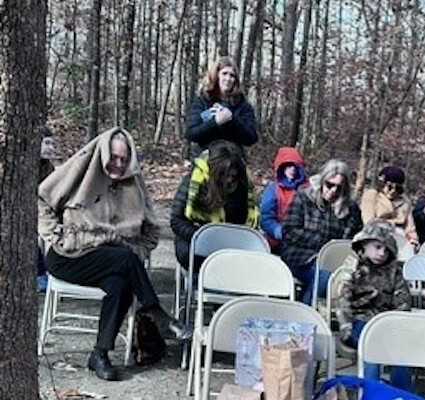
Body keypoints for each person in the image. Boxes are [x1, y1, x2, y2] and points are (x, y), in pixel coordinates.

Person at [38, 127, 192, 381]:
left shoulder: (134, 183)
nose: (118, 165)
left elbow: (152, 228)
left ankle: (99, 354)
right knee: (126, 261)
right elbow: (43, 199)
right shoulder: (80, 172)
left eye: (123, 159)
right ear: (102, 154)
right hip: (69, 255)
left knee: (121, 282)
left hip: (111, 260)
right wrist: (54, 234)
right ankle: (159, 316)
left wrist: (140, 249)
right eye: (114, 158)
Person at [337, 220, 413, 390]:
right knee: (372, 346)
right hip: (358, 321)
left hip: (386, 323)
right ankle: (371, 394)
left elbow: (403, 300)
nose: (382, 253)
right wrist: (346, 326)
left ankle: (402, 395)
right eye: (377, 247)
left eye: (386, 250)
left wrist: (399, 324)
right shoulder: (353, 266)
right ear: (364, 245)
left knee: (400, 352)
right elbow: (343, 298)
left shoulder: (394, 271)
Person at [281, 159, 363, 305]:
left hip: (338, 261)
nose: (333, 191)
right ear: (322, 181)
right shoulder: (303, 198)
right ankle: (306, 313)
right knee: (325, 277)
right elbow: (288, 231)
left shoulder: (351, 209)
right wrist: (324, 244)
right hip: (301, 257)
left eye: (339, 187)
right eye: (329, 185)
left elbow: (357, 238)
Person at [170, 140, 260, 271]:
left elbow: (245, 221)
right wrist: (205, 237)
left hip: (232, 241)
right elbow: (177, 220)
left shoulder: (243, 184)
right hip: (195, 238)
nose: (229, 180)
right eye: (224, 175)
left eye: (232, 176)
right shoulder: (194, 181)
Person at [185, 56, 258, 152]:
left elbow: (251, 138)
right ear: (217, 75)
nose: (228, 79)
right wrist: (215, 122)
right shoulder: (202, 101)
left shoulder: (242, 105)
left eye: (232, 75)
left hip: (233, 159)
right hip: (205, 157)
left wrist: (231, 120)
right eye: (224, 74)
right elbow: (191, 134)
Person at [259, 146, 308, 252]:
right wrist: (278, 231)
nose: (292, 169)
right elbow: (266, 217)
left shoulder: (306, 189)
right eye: (289, 165)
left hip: (302, 242)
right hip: (276, 242)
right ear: (282, 167)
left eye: (295, 166)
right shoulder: (273, 189)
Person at [360, 165, 418, 247]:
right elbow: (369, 222)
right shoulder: (372, 196)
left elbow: (410, 228)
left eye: (397, 188)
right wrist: (394, 225)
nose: (393, 191)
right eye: (390, 187)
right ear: (382, 185)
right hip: (374, 236)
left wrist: (413, 242)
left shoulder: (405, 202)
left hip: (400, 241)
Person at [37, 127, 58, 293]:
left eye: (53, 144)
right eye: (47, 143)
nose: (51, 148)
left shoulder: (48, 168)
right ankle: (40, 274)